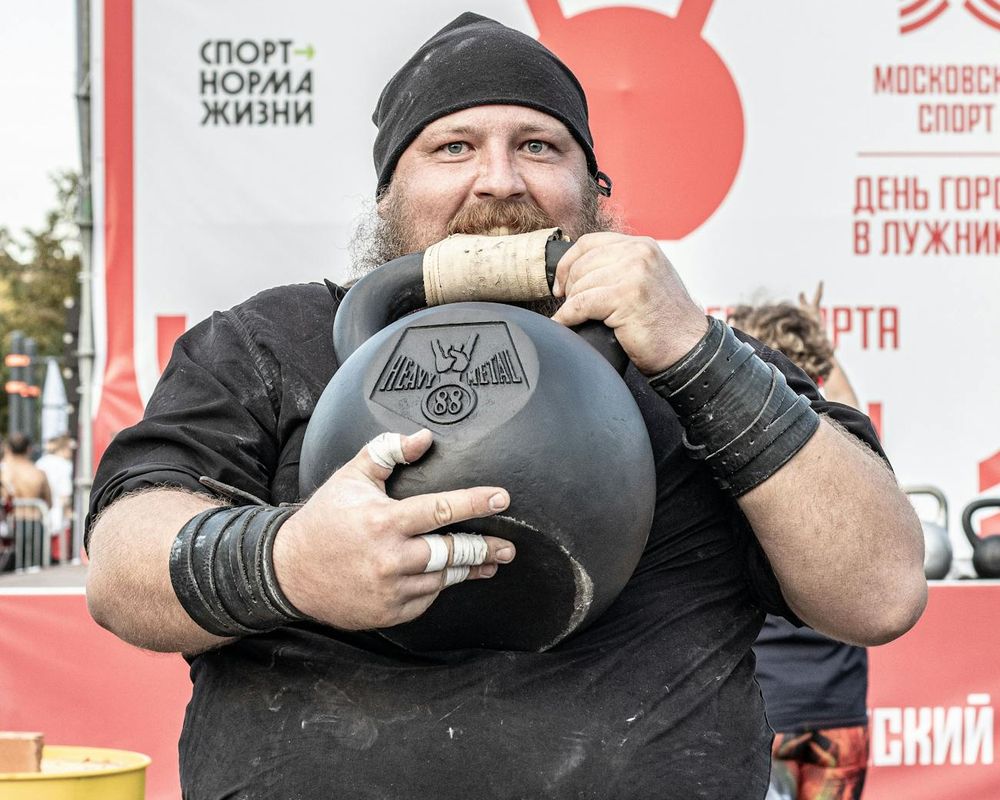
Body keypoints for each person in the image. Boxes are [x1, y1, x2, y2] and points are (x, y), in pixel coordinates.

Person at [85, 13, 926, 799]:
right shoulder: (268, 344)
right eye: (453, 147)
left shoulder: (694, 356)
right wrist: (287, 563)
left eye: (538, 146)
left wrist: (696, 354)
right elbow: (123, 570)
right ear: (387, 195)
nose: (499, 181)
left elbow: (880, 593)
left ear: (594, 190)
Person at [729, 292, 869, 800]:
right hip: (837, 712)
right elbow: (851, 408)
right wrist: (820, 344)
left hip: (767, 712)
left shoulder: (733, 458)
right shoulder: (852, 457)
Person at [1, 432, 52, 569]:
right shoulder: (39, 473)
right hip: (36, 524)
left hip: (13, 524)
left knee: (12, 573)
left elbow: (5, 498)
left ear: (9, 449)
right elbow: (48, 503)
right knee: (35, 570)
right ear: (29, 449)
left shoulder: (6, 473)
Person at [35, 435, 75, 561]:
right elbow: (65, 493)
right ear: (64, 448)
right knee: (59, 557)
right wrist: (69, 512)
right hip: (59, 515)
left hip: (42, 511)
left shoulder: (41, 462)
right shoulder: (65, 465)